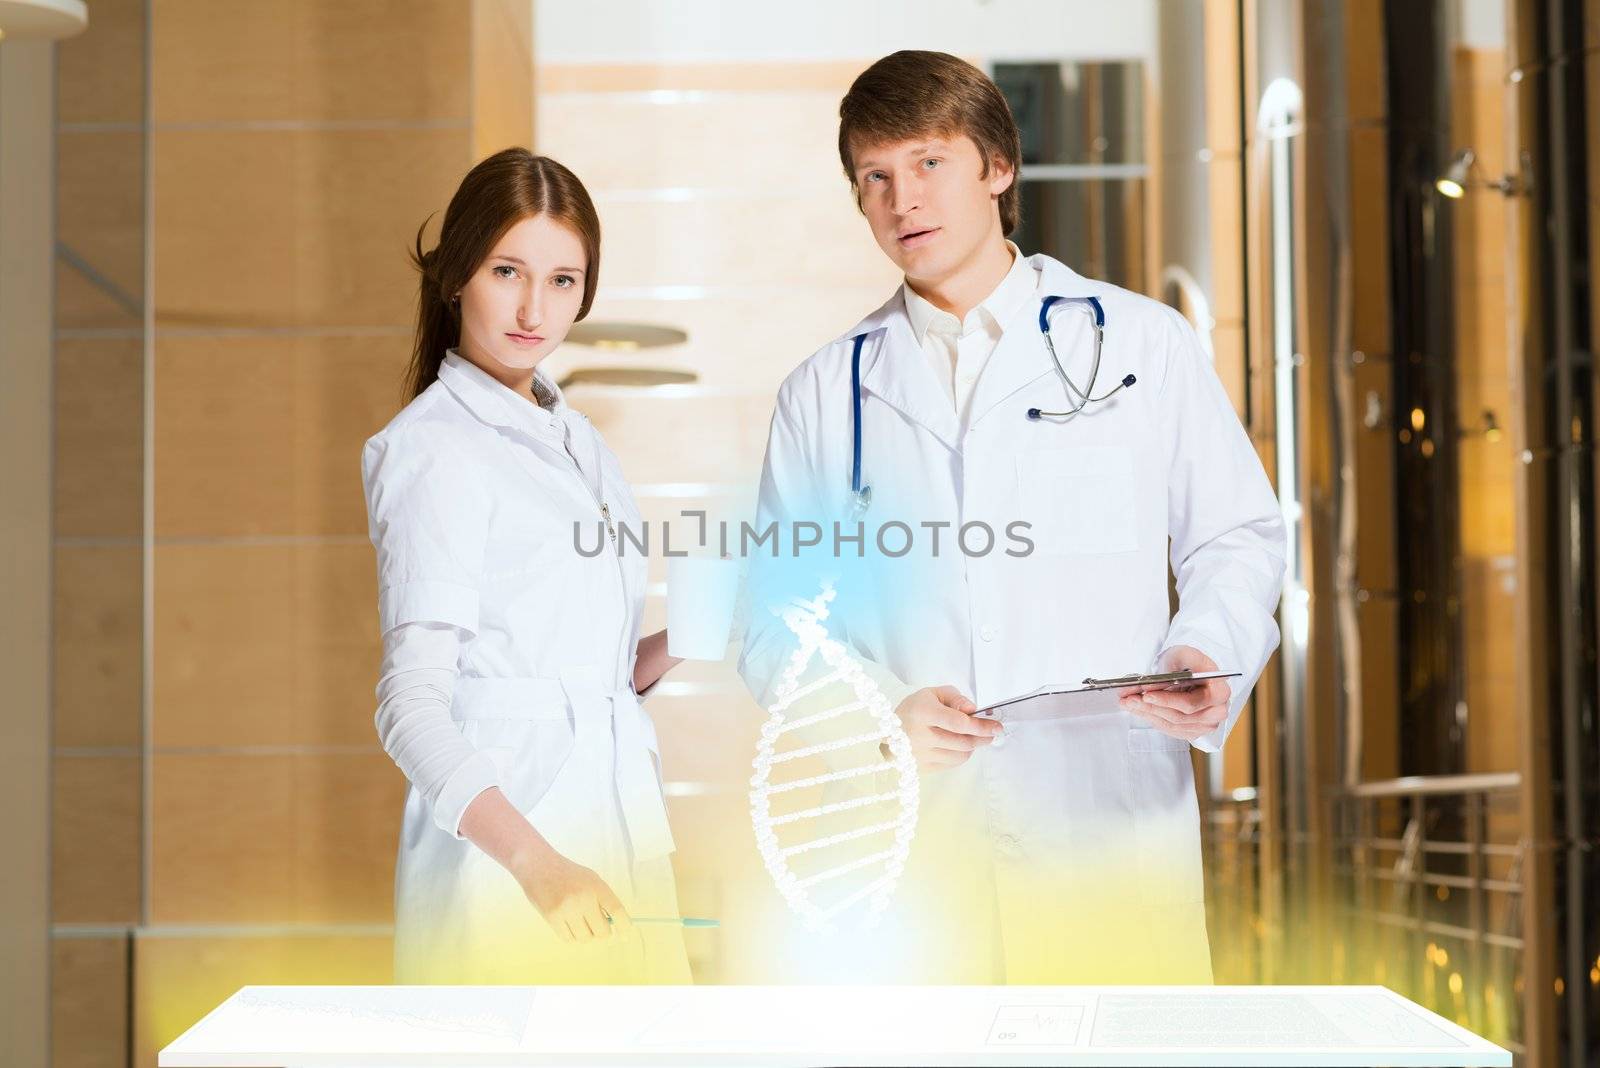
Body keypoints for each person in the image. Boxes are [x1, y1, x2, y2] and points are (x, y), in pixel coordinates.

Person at [737, 51, 1287, 983]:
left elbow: (1236, 536)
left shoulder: (1139, 344)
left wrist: (1206, 651)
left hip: (1108, 831)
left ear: (997, 168)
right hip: (914, 858)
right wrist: (876, 711)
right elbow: (770, 626)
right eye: (874, 177)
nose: (901, 198)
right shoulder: (826, 395)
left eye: (927, 163)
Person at [361, 148, 690, 984]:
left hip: (621, 849)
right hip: (515, 872)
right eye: (509, 270)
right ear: (458, 275)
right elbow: (412, 704)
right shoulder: (434, 450)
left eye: (563, 281)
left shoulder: (579, 442)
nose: (534, 307)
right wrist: (539, 868)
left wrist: (697, 627)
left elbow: (590, 675)